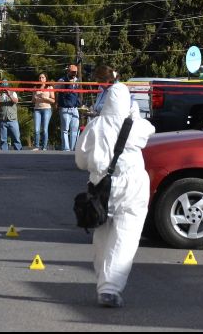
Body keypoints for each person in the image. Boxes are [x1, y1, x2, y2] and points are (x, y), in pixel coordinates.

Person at [75, 65, 155, 308]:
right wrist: (134, 115)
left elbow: (80, 160)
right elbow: (150, 129)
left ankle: (102, 278)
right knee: (126, 237)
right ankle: (109, 288)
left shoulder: (95, 126)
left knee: (102, 235)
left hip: (101, 186)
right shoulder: (135, 127)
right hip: (132, 186)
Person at [0, 79, 22, 151]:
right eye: (2, 86)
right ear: (0, 86)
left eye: (5, 87)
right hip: (2, 120)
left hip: (13, 119)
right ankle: (4, 154)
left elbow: (16, 101)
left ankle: (19, 152)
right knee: (3, 140)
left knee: (16, 138)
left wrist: (9, 94)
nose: (4, 88)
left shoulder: (13, 93)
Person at [57, 64, 82, 151]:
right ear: (68, 71)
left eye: (75, 72)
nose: (74, 74)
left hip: (75, 108)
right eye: (72, 72)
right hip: (65, 108)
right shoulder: (62, 80)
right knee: (65, 130)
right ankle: (66, 149)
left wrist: (79, 103)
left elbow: (79, 94)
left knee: (74, 130)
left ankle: (73, 149)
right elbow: (55, 89)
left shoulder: (77, 81)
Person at [33, 73, 55, 150]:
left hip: (47, 109)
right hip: (37, 109)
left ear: (46, 79)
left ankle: (44, 147)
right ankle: (36, 146)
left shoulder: (50, 87)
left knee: (45, 129)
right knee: (36, 129)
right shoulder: (35, 87)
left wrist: (45, 98)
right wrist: (35, 97)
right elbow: (32, 100)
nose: (41, 79)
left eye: (42, 77)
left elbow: (53, 100)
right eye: (39, 78)